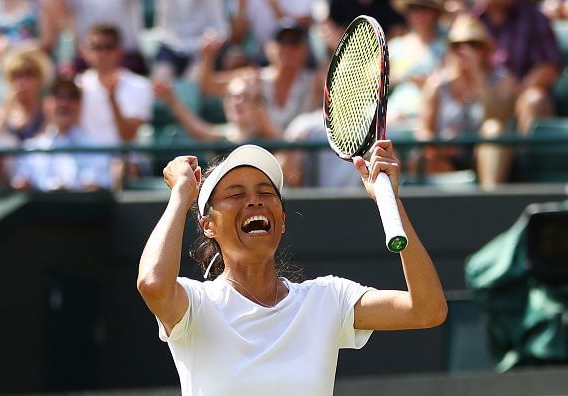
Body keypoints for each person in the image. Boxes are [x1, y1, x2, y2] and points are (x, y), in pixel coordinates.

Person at [137, 142, 448, 394]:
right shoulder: (196, 304)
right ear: (208, 226)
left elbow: (427, 309)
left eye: (266, 192)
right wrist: (181, 192)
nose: (255, 201)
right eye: (236, 194)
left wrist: (389, 201)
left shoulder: (328, 299)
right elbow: (152, 283)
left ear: (282, 221)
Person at [417, 14, 518, 188]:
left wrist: (478, 77)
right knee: (419, 157)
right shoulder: (437, 84)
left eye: (474, 45)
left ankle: (490, 196)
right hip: (446, 161)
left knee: (493, 129)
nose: (465, 50)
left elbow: (500, 117)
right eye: (457, 46)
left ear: (486, 50)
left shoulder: (503, 80)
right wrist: (440, 147)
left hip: (489, 158)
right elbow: (423, 131)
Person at [472, 0, 562, 134]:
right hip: (482, 94)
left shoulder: (533, 16)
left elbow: (549, 67)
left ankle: (525, 152)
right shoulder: (470, 19)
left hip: (521, 92)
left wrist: (516, 90)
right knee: (491, 127)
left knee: (534, 99)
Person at [76, 23, 153, 177]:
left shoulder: (140, 86)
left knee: (121, 169)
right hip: (84, 163)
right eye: (96, 47)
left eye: (108, 47)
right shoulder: (76, 85)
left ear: (120, 51)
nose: (102, 53)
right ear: (85, 52)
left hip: (123, 163)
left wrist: (112, 99)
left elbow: (127, 136)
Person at [10, 77, 114, 191]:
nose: (64, 104)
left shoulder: (97, 149)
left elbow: (100, 187)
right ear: (46, 104)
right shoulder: (30, 149)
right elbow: (20, 184)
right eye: (57, 96)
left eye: (71, 97)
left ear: (80, 105)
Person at [153, 74, 281, 143]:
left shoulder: (268, 137)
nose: (237, 103)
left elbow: (280, 142)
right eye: (232, 97)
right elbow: (198, 129)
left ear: (257, 103)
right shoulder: (224, 136)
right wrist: (171, 100)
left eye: (245, 96)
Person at [386, 0, 447, 132]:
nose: (418, 14)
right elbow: (378, 80)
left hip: (434, 114)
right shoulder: (396, 46)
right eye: (413, 9)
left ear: (435, 13)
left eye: (423, 9)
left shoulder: (446, 47)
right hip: (395, 114)